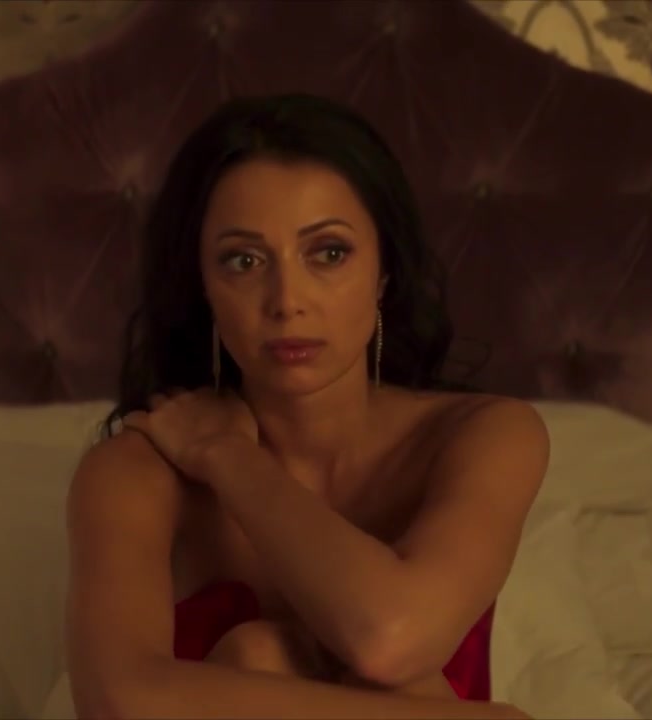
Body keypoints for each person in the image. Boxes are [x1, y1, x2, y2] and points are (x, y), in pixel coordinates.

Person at [65, 94, 546, 720]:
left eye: (329, 253)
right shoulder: (135, 473)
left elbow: (390, 639)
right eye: (244, 261)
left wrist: (229, 458)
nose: (287, 300)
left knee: (272, 655)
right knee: (257, 653)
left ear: (384, 273)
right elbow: (118, 701)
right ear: (203, 285)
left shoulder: (487, 435)